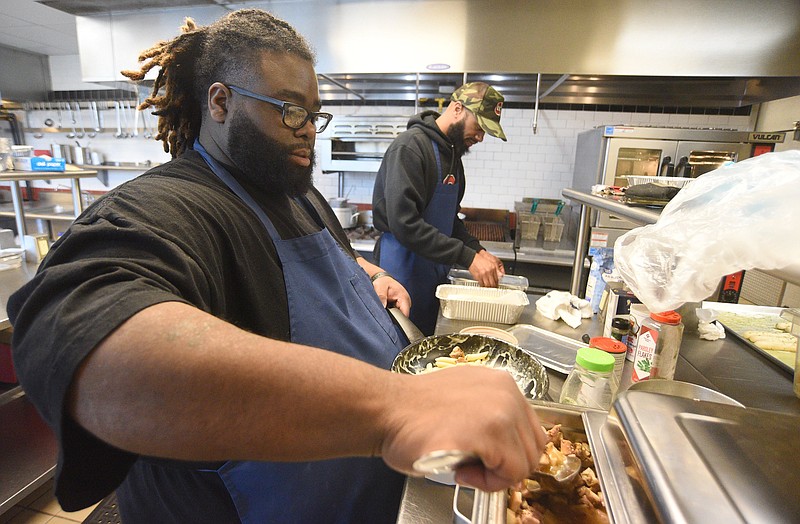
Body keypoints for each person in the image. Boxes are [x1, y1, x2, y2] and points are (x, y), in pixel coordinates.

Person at [7, 9, 546, 524]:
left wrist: (371, 275)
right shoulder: (172, 206)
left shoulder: (294, 192)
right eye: (289, 109)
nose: (307, 128)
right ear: (219, 102)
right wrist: (394, 410)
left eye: (314, 113)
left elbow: (335, 254)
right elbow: (87, 339)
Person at [372, 82, 508, 335]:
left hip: (432, 274)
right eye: (479, 127)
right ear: (457, 109)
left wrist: (477, 250)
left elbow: (449, 221)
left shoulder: (453, 158)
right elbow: (405, 224)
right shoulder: (411, 148)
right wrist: (467, 257)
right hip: (401, 270)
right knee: (399, 348)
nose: (480, 137)